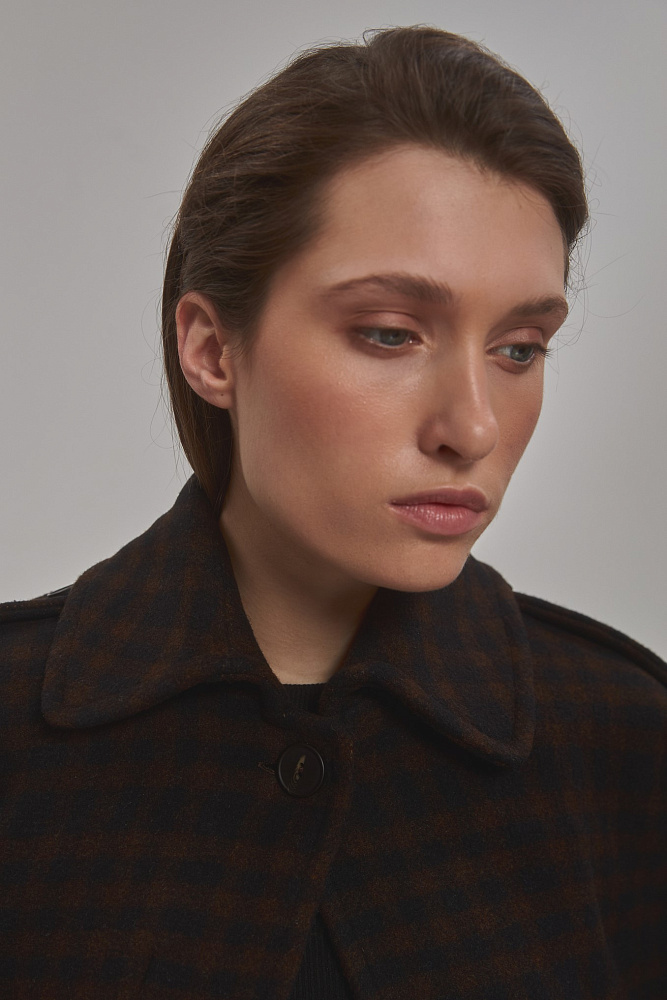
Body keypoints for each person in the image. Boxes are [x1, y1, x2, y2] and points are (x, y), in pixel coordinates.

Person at [1, 25, 665, 1000]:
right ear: (212, 350)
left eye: (518, 349)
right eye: (390, 333)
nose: (472, 426)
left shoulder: (625, 737)